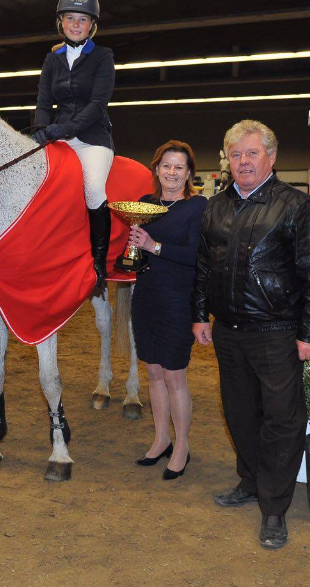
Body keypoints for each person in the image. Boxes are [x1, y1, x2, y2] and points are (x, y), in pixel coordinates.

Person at [192, 119, 310, 550]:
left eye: (252, 153)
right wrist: (200, 315)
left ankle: (274, 509)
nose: (243, 162)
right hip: (229, 333)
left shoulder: (297, 206)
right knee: (239, 414)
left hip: (277, 333)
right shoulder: (214, 207)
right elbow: (202, 268)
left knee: (282, 421)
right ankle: (251, 481)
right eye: (235, 154)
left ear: (271, 157)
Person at [127, 141, 207, 480]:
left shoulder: (198, 206)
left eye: (179, 167)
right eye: (166, 166)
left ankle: (182, 445)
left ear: (188, 173)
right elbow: (140, 251)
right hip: (146, 296)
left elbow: (198, 256)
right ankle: (161, 439)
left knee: (175, 376)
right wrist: (134, 249)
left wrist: (153, 246)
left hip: (178, 299)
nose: (172, 172)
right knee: (153, 373)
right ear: (156, 169)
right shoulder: (145, 204)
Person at [33, 0, 115, 292]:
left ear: (91, 24)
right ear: (61, 22)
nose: (76, 24)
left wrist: (62, 130)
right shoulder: (52, 59)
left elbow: (97, 104)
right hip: (58, 137)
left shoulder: (103, 57)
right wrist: (41, 130)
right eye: (70, 18)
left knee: (93, 190)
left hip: (93, 137)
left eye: (82, 19)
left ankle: (98, 266)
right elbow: (43, 101)